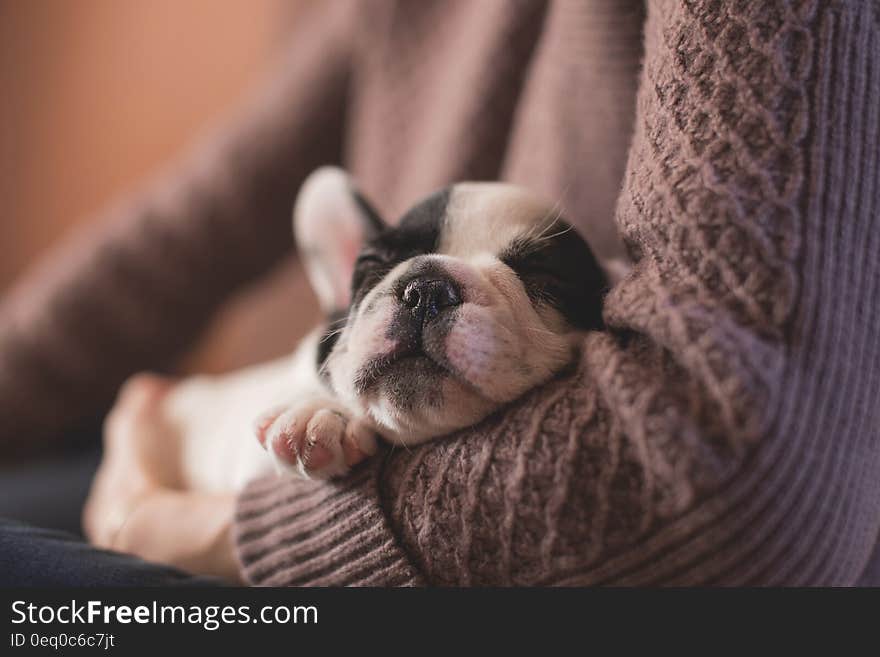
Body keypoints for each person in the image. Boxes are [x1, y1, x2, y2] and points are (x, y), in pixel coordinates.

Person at [1, 0, 878, 586]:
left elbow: (736, 475)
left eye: (532, 280)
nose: (423, 294)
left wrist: (181, 525)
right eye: (389, 271)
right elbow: (175, 234)